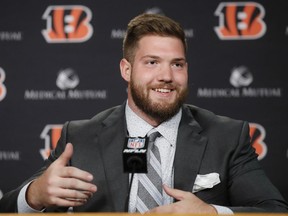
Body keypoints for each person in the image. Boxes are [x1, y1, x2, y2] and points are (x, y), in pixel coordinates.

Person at [0, 13, 287, 214]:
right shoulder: (80, 136)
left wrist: (212, 214)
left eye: (177, 64)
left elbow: (273, 211)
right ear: (126, 69)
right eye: (152, 62)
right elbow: (8, 208)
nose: (166, 76)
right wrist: (34, 195)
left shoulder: (227, 136)